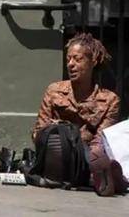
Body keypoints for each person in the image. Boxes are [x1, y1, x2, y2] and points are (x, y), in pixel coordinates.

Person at [32, 33, 124, 195]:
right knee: (56, 139)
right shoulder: (54, 91)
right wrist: (62, 133)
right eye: (68, 59)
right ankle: (107, 178)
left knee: (97, 153)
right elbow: (40, 130)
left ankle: (102, 175)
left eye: (77, 59)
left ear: (93, 61)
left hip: (85, 159)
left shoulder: (110, 100)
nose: (70, 64)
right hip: (55, 154)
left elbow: (100, 141)